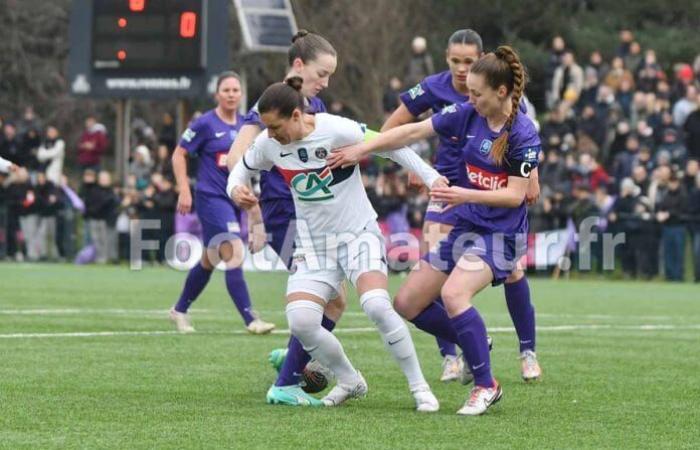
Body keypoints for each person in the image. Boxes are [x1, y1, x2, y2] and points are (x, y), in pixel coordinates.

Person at [328, 46, 541, 415]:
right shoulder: (467, 113)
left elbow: (515, 196)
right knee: (407, 303)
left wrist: (462, 193)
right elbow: (411, 130)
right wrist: (362, 149)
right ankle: (475, 342)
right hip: (467, 224)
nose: (469, 98)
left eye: (477, 93)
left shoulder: (523, 132)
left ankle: (486, 385)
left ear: (502, 93)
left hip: (502, 235)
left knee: (456, 294)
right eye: (469, 92)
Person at [228, 77, 443, 411]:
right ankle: (350, 379)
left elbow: (390, 144)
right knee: (301, 322)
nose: (270, 134)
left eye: (276, 126)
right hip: (314, 246)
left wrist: (431, 178)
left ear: (298, 115)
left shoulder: (335, 128)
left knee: (375, 304)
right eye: (266, 128)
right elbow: (239, 172)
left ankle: (420, 388)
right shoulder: (268, 144)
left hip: (358, 234)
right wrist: (236, 191)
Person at [380, 30, 541, 384]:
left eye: (469, 62)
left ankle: (527, 350)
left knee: (508, 271)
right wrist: (406, 163)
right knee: (430, 286)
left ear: (482, 61)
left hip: (485, 201)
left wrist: (532, 178)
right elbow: (399, 127)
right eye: (455, 61)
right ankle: (453, 355)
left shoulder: (504, 99)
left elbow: (525, 148)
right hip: (446, 189)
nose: (461, 68)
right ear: (446, 58)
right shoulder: (435, 88)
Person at [226, 30, 347, 406]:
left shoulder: (316, 107)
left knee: (333, 300)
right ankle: (286, 381)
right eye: (321, 73)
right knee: (330, 301)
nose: (325, 83)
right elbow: (237, 156)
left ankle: (297, 356)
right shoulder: (273, 104)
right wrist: (248, 202)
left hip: (313, 215)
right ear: (299, 66)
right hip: (285, 212)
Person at [169, 71, 274, 334]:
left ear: (241, 95)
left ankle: (179, 310)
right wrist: (184, 189)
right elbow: (179, 154)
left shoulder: (246, 127)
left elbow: (248, 166)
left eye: (235, 90)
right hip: (211, 197)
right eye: (226, 90)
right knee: (235, 251)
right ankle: (251, 319)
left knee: (210, 259)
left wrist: (252, 203)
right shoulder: (204, 124)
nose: (231, 95)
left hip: (234, 199)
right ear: (217, 94)